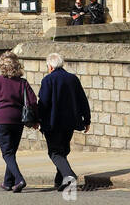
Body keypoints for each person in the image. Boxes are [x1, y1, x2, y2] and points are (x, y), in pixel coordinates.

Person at [0, 52, 38, 193]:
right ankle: (7, 182)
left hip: (1, 120)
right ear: (17, 66)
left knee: (7, 153)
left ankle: (19, 179)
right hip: (18, 121)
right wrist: (36, 120)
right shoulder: (23, 83)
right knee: (11, 152)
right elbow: (33, 102)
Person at [37, 52, 91, 192]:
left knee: (55, 153)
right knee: (63, 150)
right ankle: (59, 180)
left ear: (50, 66)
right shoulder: (73, 79)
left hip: (53, 122)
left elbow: (43, 103)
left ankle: (69, 175)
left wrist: (38, 120)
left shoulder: (48, 80)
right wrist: (87, 119)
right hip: (70, 122)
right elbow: (82, 100)